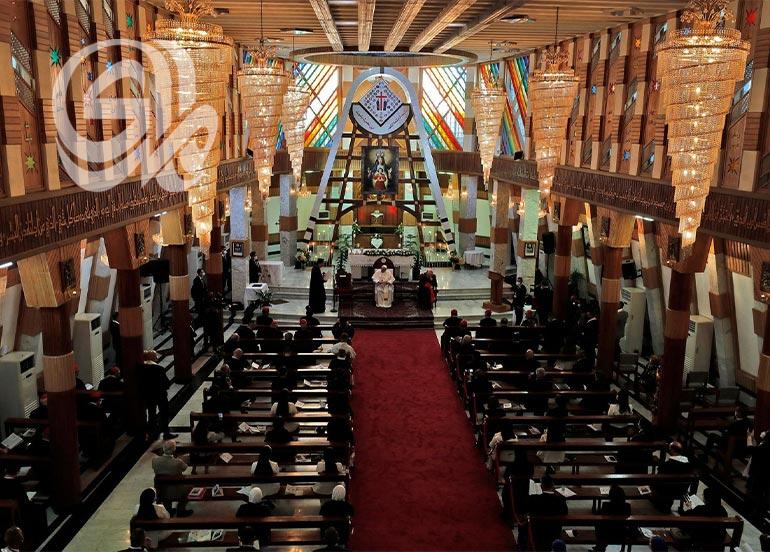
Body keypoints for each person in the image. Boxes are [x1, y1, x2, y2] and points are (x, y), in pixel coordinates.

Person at [526, 475, 567, 549]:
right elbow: (565, 513)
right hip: (555, 532)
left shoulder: (534, 499)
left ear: (541, 486)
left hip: (538, 533)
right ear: (553, 486)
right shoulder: (560, 500)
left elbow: (528, 512)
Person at [151, 440, 192, 516]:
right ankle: (181, 510)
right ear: (174, 449)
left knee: (166, 486)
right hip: (175, 489)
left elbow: (156, 469)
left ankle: (168, 510)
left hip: (160, 490)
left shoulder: (155, 460)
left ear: (163, 449)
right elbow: (185, 468)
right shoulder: (177, 462)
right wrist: (182, 459)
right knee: (189, 487)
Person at [142, 350, 175, 440]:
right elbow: (166, 383)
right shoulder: (159, 368)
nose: (157, 358)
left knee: (151, 414)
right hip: (160, 395)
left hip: (148, 396)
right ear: (153, 358)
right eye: (155, 356)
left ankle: (152, 433)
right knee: (164, 414)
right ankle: (166, 433)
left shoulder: (142, 368)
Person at [651, 442, 692, 512]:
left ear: (672, 450)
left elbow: (659, 478)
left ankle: (660, 503)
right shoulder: (689, 465)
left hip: (666, 490)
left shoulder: (667, 465)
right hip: (682, 490)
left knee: (654, 482)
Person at [594, 485, 632, 551]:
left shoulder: (606, 505)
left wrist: (598, 511)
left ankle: (600, 547)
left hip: (607, 533)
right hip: (622, 533)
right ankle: (601, 546)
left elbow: (598, 517)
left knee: (599, 524)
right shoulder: (627, 506)